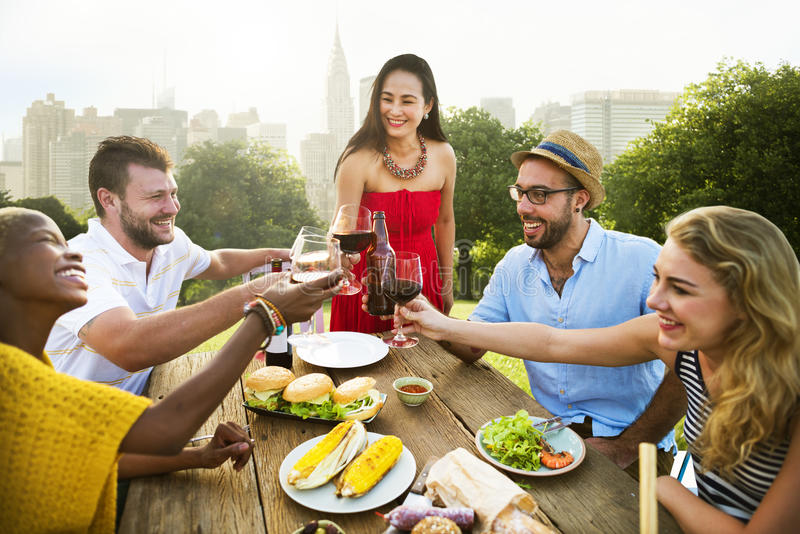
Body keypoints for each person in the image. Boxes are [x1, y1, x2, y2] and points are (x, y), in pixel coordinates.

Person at [399, 206, 800, 532]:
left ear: (748, 301)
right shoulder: (687, 350)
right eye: (658, 279)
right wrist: (441, 323)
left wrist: (662, 484)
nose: (655, 299)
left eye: (681, 289)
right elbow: (552, 342)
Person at [0, 207, 339, 533]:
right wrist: (265, 317)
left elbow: (92, 459)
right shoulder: (9, 378)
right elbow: (165, 429)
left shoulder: (31, 367)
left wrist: (197, 457)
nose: (72, 253)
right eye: (47, 242)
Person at [41, 135, 291, 509]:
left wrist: (286, 256)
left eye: (173, 193)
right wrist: (256, 296)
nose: (171, 207)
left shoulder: (169, 244)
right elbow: (130, 346)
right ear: (108, 199)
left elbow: (218, 262)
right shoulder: (78, 263)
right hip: (68, 455)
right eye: (155, 197)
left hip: (142, 426)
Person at [330, 53, 456, 334]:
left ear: (428, 106)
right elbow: (340, 230)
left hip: (423, 281)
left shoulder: (444, 155)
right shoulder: (357, 158)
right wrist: (338, 260)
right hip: (368, 288)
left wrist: (446, 283)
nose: (394, 110)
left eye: (407, 101)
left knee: (425, 370)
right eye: (387, 99)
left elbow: (445, 221)